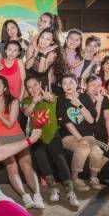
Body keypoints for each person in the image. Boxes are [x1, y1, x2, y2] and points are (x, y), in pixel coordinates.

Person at [0, 75, 45, 209]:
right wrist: (0, 145)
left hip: (17, 137)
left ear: (4, 88)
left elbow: (10, 124)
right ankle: (25, 196)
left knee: (26, 165)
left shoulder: (13, 101)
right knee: (11, 166)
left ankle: (37, 195)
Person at [22, 76, 79, 207]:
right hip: (37, 136)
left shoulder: (50, 95)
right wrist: (34, 102)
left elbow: (52, 99)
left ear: (40, 84)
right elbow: (26, 113)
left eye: (35, 85)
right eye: (29, 87)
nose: (32, 89)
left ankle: (70, 191)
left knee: (60, 159)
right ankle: (53, 188)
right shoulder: (27, 100)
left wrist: (48, 97)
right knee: (41, 158)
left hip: (53, 134)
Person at [56, 74, 109, 192]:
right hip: (68, 136)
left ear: (77, 84)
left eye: (71, 82)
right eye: (64, 83)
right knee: (83, 148)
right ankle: (74, 178)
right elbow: (67, 123)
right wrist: (80, 139)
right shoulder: (60, 100)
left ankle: (93, 178)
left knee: (97, 151)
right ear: (61, 86)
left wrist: (79, 105)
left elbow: (91, 120)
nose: (68, 85)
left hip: (88, 135)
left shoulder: (84, 97)